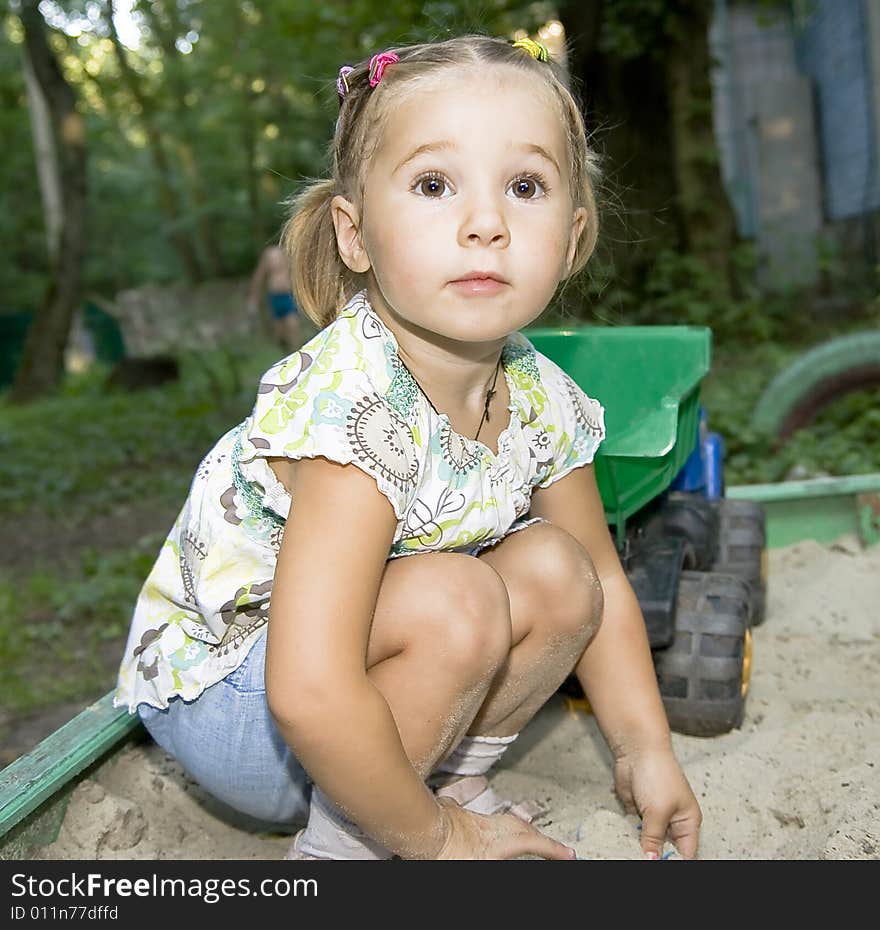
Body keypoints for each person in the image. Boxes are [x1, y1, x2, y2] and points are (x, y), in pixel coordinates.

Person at [115, 34, 702, 861]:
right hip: (242, 710)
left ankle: (450, 780)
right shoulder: (354, 406)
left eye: (524, 186)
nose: (486, 224)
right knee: (458, 600)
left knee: (560, 571)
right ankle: (351, 845)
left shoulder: (542, 395)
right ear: (355, 236)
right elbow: (309, 689)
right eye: (434, 185)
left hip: (376, 701)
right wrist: (437, 843)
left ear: (570, 241)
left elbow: (602, 577)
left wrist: (648, 751)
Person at [246, 243, 302, 351]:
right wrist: (254, 297)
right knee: (279, 332)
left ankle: (296, 352)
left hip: (288, 296)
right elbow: (259, 277)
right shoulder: (269, 255)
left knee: (293, 324)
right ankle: (284, 349)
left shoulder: (290, 253)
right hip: (275, 297)